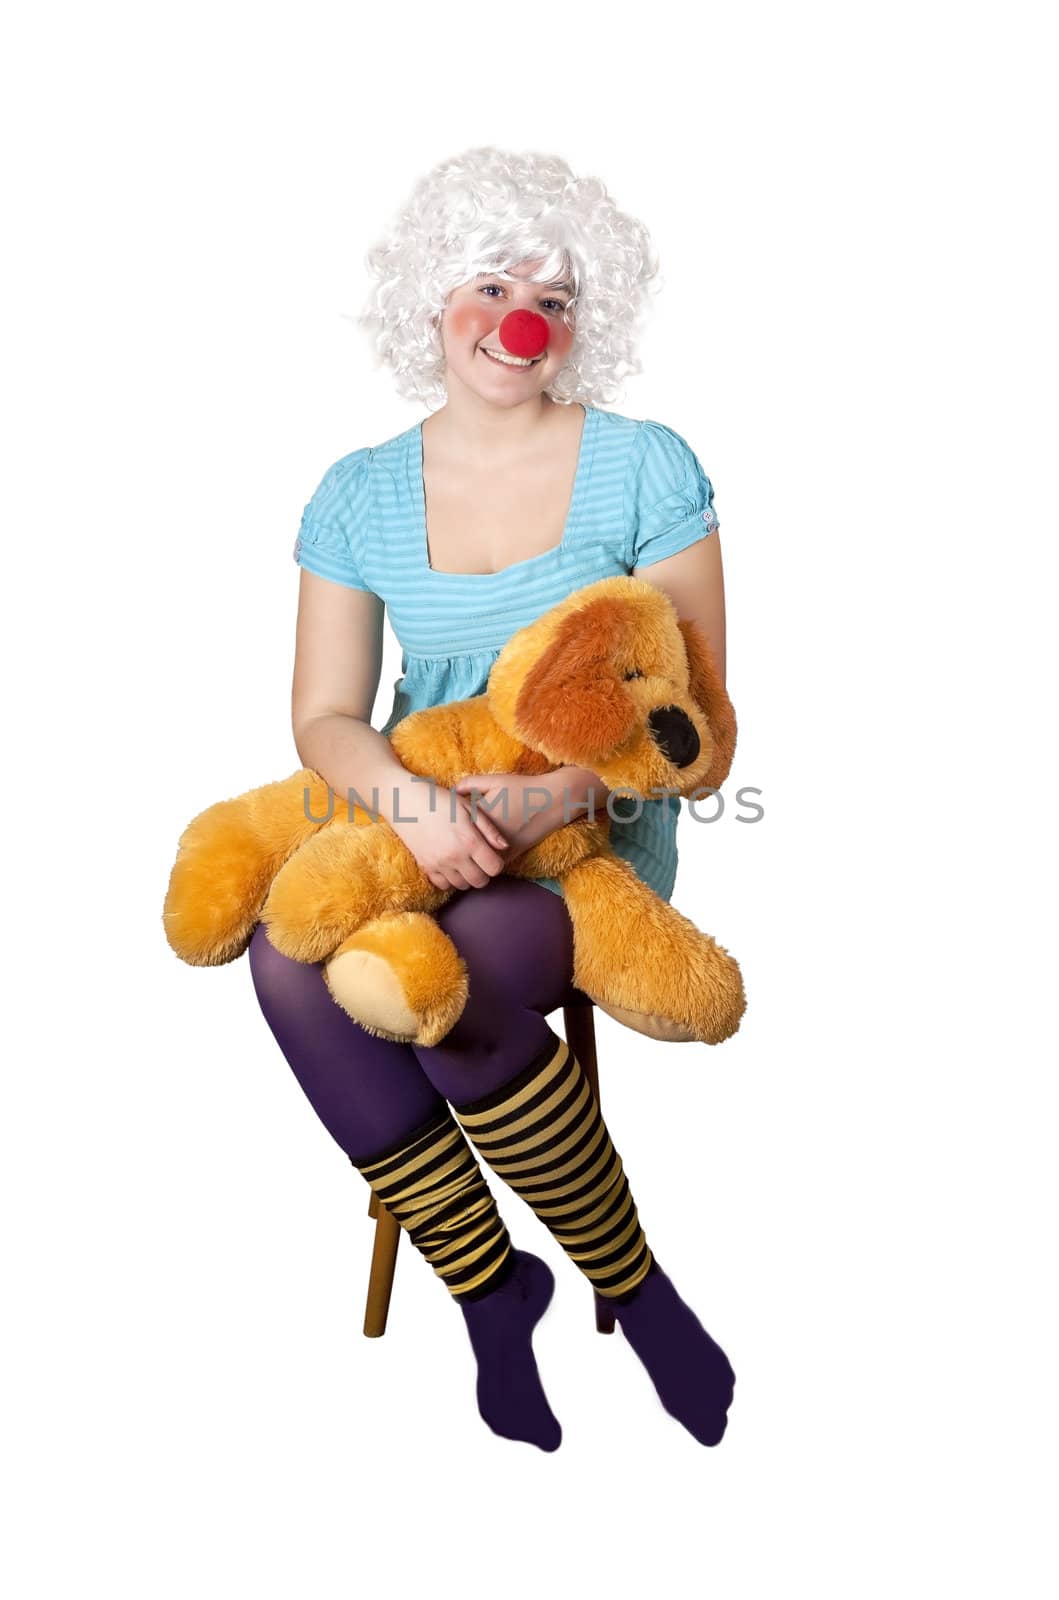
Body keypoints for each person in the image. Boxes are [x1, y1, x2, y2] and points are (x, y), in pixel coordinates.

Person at [248, 146, 735, 1451]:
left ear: (586, 323)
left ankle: (637, 1293)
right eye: (489, 284)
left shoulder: (645, 466)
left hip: (587, 836)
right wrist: (415, 811)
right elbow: (325, 717)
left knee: (460, 963)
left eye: (556, 298)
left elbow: (689, 726)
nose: (522, 320)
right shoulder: (356, 494)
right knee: (290, 957)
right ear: (431, 305)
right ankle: (491, 1291)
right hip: (413, 809)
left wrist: (535, 808)